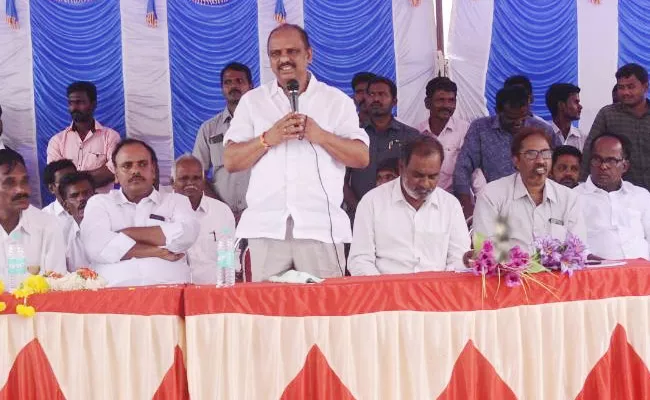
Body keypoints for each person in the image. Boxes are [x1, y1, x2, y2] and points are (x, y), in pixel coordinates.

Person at [223, 24, 369, 282]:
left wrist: (321, 136)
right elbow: (231, 161)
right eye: (276, 53)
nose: (284, 59)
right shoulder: (253, 102)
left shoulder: (335, 101)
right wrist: (268, 138)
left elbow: (361, 156)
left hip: (320, 227)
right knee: (266, 315)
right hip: (266, 226)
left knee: (323, 315)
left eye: (292, 51)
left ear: (309, 55)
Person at [80, 139, 199, 287]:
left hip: (169, 291)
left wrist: (127, 233)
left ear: (153, 171)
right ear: (116, 174)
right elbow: (96, 247)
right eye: (127, 166)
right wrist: (157, 251)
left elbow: (186, 235)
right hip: (113, 295)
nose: (135, 171)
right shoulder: (100, 203)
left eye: (142, 164)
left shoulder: (176, 201)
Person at [348, 136, 470, 275]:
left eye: (432, 177)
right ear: (401, 168)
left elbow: (459, 260)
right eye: (418, 175)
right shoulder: (372, 202)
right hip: (386, 292)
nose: (425, 183)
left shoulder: (450, 205)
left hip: (436, 293)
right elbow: (360, 260)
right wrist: (385, 292)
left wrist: (439, 290)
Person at [453, 85, 561, 218]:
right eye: (511, 118)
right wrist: (466, 206)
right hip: (496, 205)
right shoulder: (480, 129)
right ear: (497, 111)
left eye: (522, 118)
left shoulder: (542, 130)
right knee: (498, 239)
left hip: (537, 204)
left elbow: (560, 163)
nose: (518, 123)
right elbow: (463, 168)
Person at [472, 128, 586, 252]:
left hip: (557, 271)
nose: (540, 161)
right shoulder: (492, 195)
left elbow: (577, 250)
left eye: (545, 153)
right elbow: (484, 249)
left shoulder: (569, 198)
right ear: (516, 161)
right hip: (508, 270)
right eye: (531, 154)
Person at [346, 76, 420, 207]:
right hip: (360, 215)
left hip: (400, 212)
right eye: (371, 94)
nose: (376, 99)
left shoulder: (411, 137)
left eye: (382, 94)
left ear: (394, 101)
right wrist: (358, 210)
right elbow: (342, 179)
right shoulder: (353, 135)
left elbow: (418, 178)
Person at [193, 62, 253, 220]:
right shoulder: (209, 129)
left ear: (251, 86)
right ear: (222, 88)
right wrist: (222, 210)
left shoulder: (265, 125)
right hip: (222, 217)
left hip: (258, 215)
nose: (234, 86)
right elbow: (197, 176)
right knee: (224, 245)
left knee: (257, 246)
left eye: (240, 81)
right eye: (228, 82)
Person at [575, 134, 650, 260]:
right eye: (597, 159)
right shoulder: (574, 198)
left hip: (643, 274)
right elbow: (574, 246)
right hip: (600, 275)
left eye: (611, 160)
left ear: (625, 166)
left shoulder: (641, 195)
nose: (603, 166)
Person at [582, 64, 650, 189]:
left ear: (645, 87)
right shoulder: (607, 115)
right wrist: (583, 186)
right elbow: (589, 151)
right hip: (621, 196)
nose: (625, 92)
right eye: (621, 87)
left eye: (631, 87)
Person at [171, 154, 235, 284]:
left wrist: (225, 285)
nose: (190, 183)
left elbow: (228, 255)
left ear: (204, 181)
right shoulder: (160, 213)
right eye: (183, 178)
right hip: (174, 292)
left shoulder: (222, 211)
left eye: (196, 178)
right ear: (172, 182)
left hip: (213, 291)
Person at [47, 81, 121, 193]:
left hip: (101, 205)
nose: (74, 108)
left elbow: (111, 172)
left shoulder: (110, 137)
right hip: (68, 207)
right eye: (71, 103)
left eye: (80, 102)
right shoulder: (57, 141)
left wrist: (71, 179)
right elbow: (57, 178)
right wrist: (95, 175)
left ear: (93, 104)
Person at [0, 149, 66, 274]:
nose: (21, 190)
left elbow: (56, 285)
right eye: (9, 183)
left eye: (24, 181)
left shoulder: (48, 225)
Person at [417, 76, 486, 194]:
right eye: (440, 100)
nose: (447, 105)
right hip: (423, 198)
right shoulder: (416, 133)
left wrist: (482, 199)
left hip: (457, 200)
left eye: (451, 100)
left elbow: (475, 171)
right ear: (427, 103)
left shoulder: (466, 130)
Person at [58, 172, 95, 271]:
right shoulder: (60, 236)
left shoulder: (114, 224)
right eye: (74, 196)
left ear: (97, 197)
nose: (82, 198)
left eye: (86, 193)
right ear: (66, 207)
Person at [545, 83, 587, 150]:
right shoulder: (543, 134)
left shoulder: (583, 138)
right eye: (576, 102)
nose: (580, 107)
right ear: (561, 105)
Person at [42, 159, 77, 226]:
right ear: (51, 188)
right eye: (64, 182)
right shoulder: (44, 217)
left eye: (74, 179)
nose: (71, 185)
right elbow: (17, 236)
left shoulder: (93, 207)